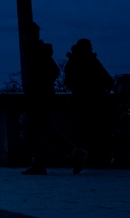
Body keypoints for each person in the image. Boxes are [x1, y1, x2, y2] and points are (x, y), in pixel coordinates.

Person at [21, 23, 86, 175]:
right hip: (41, 97)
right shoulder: (37, 51)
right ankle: (71, 154)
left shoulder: (37, 51)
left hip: (40, 98)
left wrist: (37, 84)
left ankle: (44, 162)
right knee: (42, 129)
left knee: (36, 130)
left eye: (24, 35)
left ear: (30, 36)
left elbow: (52, 71)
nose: (22, 38)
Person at [64, 38, 113, 164]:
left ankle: (88, 157)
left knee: (85, 131)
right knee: (99, 130)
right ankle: (99, 157)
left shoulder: (72, 62)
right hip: (97, 100)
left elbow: (68, 82)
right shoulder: (92, 61)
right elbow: (106, 78)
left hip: (80, 100)